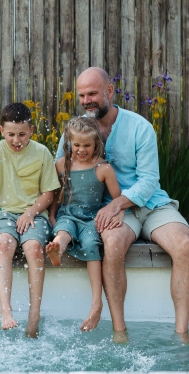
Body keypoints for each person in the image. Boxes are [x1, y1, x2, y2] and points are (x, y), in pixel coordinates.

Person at [55, 67, 189, 343]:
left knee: (184, 245)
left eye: (92, 93)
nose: (86, 101)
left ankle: (182, 333)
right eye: (82, 95)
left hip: (149, 204)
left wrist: (119, 204)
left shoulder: (139, 126)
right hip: (109, 209)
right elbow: (60, 170)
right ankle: (120, 331)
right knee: (113, 245)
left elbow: (149, 180)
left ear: (109, 91)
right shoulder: (76, 129)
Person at [0, 102, 61, 338]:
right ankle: (6, 310)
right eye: (11, 134)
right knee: (4, 243)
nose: (17, 140)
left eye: (22, 134)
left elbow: (48, 194)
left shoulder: (41, 152)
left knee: (34, 248)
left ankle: (34, 318)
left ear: (32, 131)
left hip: (34, 212)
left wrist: (30, 213)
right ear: (2, 131)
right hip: (4, 212)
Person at [46, 117, 125, 332]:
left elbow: (118, 198)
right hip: (68, 214)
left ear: (96, 143)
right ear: (69, 142)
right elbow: (55, 194)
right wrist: (52, 214)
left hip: (92, 219)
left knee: (92, 245)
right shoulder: (62, 164)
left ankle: (96, 304)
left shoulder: (103, 168)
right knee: (63, 231)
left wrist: (121, 214)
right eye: (77, 145)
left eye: (87, 145)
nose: (81, 150)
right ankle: (57, 250)